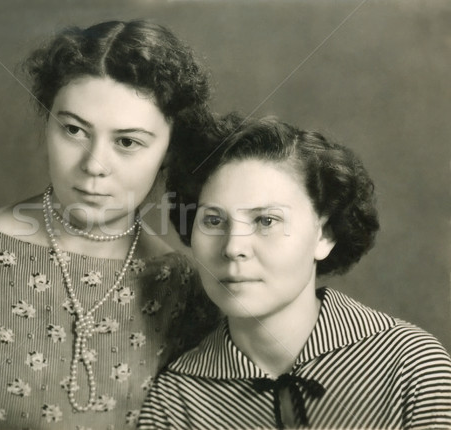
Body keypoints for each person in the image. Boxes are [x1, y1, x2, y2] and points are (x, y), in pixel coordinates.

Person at [0, 20, 215, 430]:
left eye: (127, 142)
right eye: (74, 130)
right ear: (47, 123)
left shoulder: (188, 288)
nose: (94, 165)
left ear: (169, 151)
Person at [138, 115, 451, 429]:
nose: (234, 247)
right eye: (214, 221)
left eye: (267, 221)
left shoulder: (410, 364)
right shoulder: (174, 401)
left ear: (324, 234)